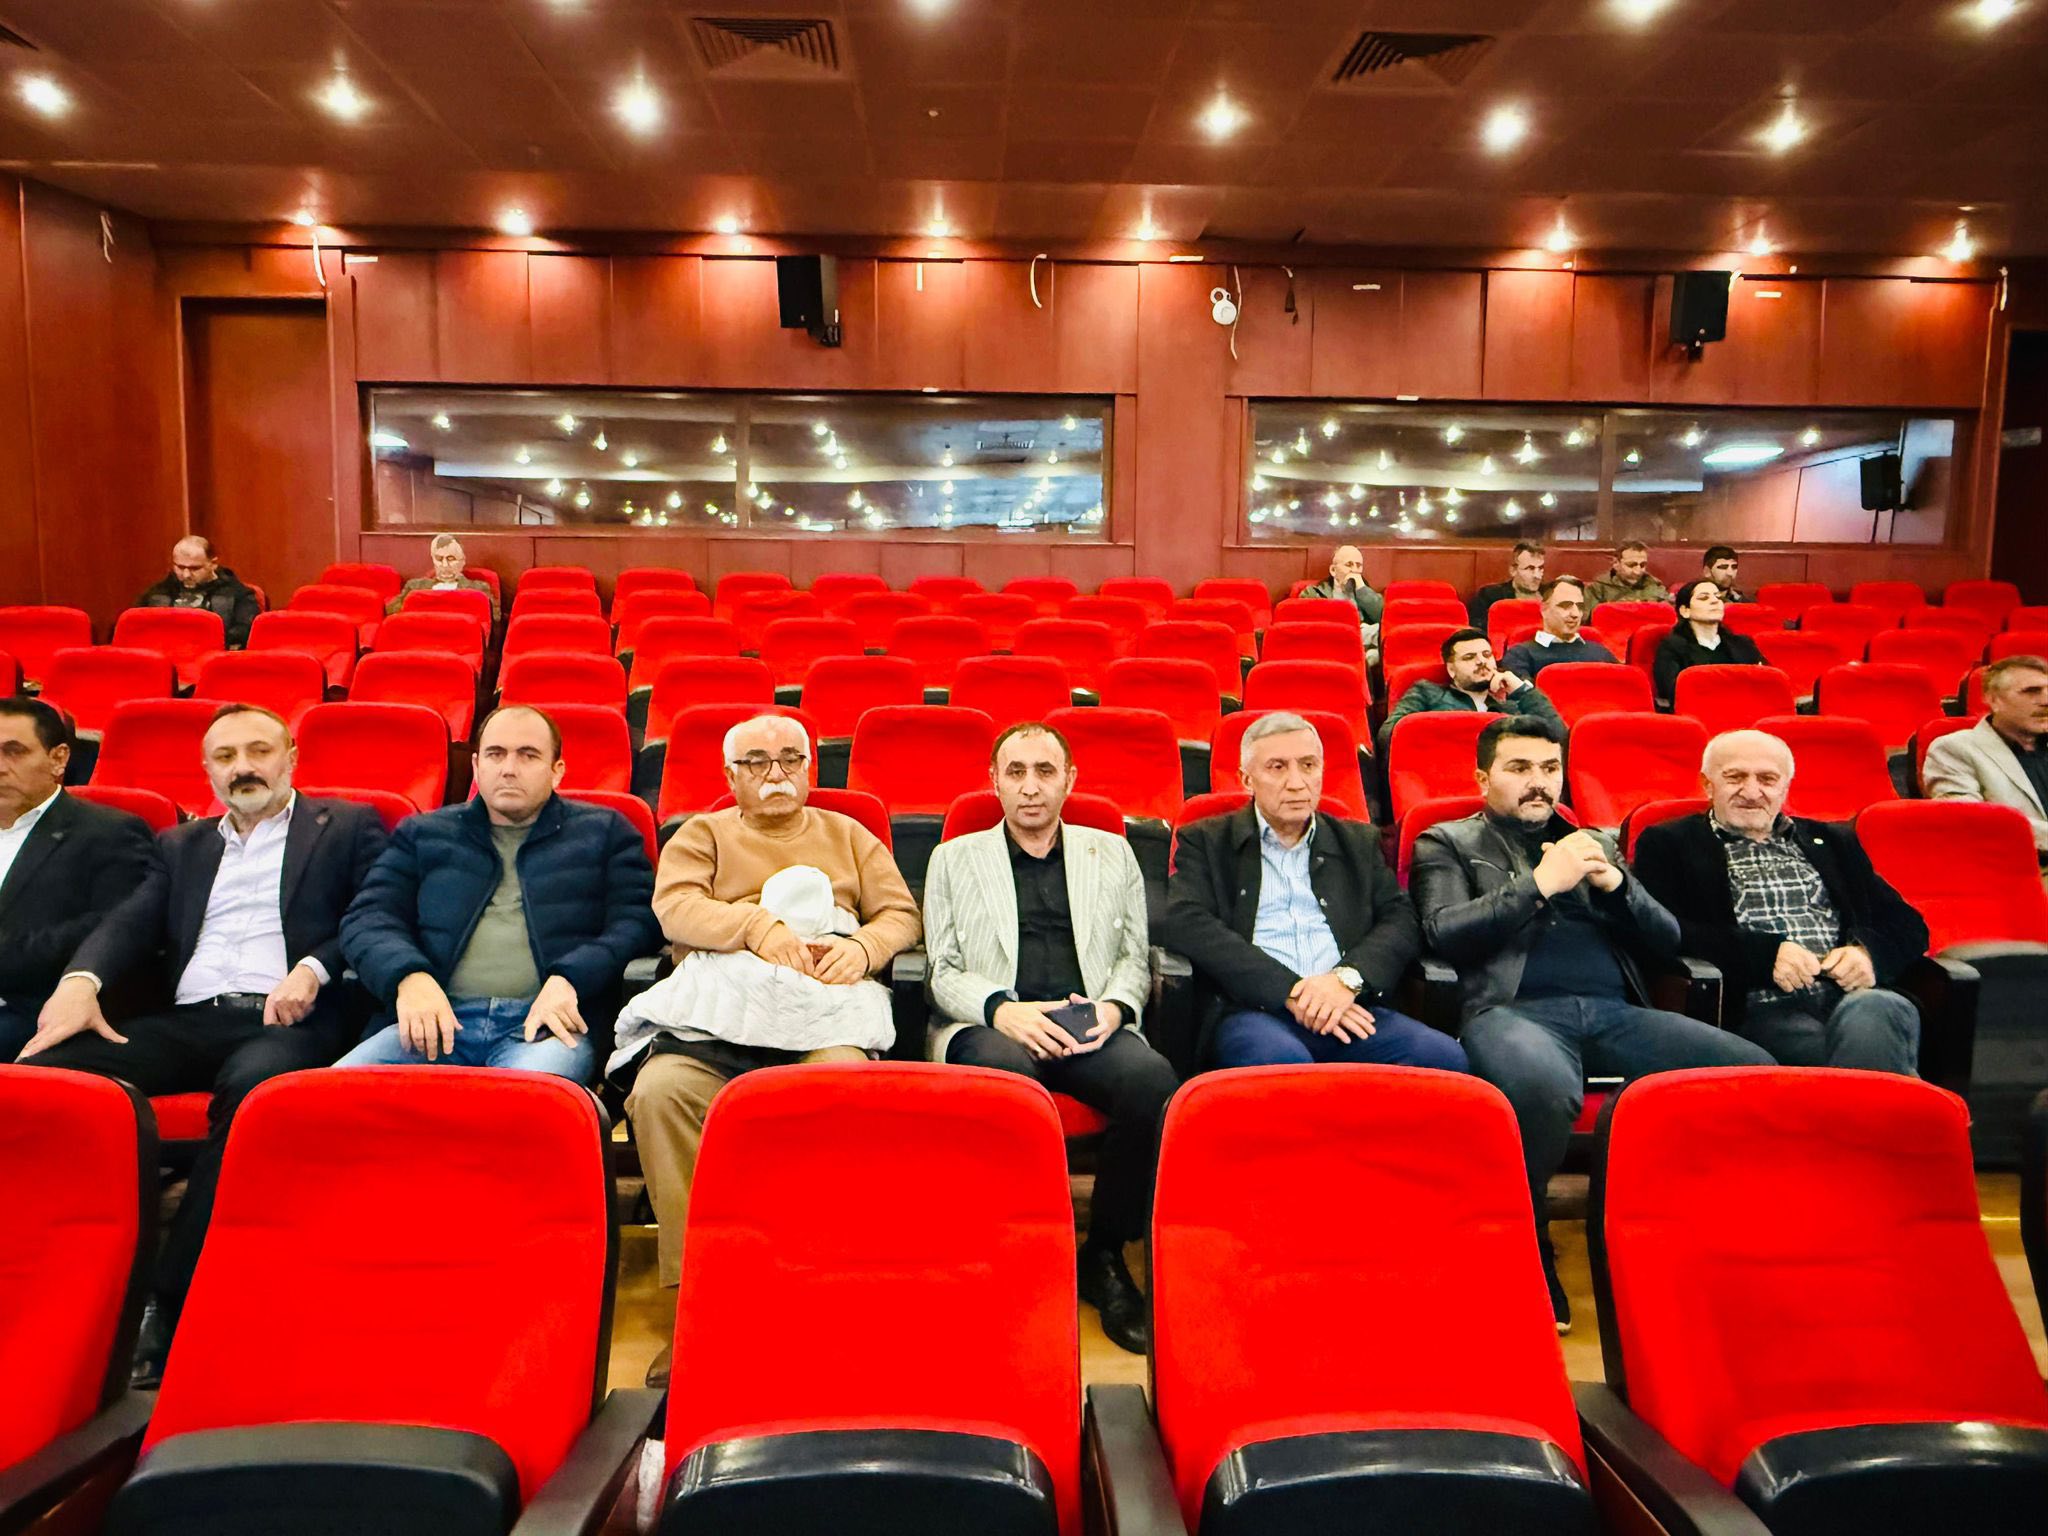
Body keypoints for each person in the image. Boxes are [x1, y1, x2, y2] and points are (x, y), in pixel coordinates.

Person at [19, 703, 386, 1382]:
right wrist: (81, 981)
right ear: (207, 771)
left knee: (251, 1090)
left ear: (291, 757)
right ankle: (42, 1272)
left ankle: (169, 1299)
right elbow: (131, 921)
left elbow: (374, 913)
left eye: (258, 751)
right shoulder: (180, 845)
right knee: (44, 1073)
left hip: (290, 1018)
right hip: (187, 1018)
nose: (243, 767)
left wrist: (313, 968)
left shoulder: (348, 826)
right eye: (225, 757)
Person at [1409, 715, 1771, 1330]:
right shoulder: (1446, 841)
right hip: (1510, 1010)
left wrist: (1615, 884)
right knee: (1543, 1089)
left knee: (1752, 1072)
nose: (1538, 782)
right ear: (1483, 779)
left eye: (1550, 768)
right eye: (1519, 768)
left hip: (1614, 1012)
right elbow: (1443, 932)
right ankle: (1528, 1241)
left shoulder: (1593, 841)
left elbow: (1667, 938)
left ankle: (1685, 1236)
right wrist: (1538, 885)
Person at [619, 712, 921, 1385]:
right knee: (661, 1091)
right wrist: (757, 925)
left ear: (811, 769)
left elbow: (900, 914)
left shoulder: (849, 834)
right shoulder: (704, 834)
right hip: (718, 1025)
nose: (775, 773)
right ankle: (700, 1302)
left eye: (790, 759)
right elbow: (676, 909)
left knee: (843, 1089)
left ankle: (820, 1286)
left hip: (821, 1021)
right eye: (756, 762)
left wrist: (863, 946)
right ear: (730, 777)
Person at [923, 722, 1179, 1355]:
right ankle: (1013, 1248)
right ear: (994, 781)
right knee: (1009, 1081)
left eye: (1044, 772)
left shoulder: (1111, 852)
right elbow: (941, 970)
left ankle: (1104, 1252)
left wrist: (1114, 1009)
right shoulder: (954, 857)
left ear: (1069, 779)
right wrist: (1000, 1010)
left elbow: (1133, 954)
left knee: (1153, 1082)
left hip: (1086, 1020)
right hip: (994, 1024)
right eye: (1015, 773)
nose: (1030, 787)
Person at [337, 705, 659, 1079]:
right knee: (327, 1099)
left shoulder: (606, 832)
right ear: (476, 766)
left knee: (529, 1102)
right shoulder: (423, 834)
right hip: (433, 1021)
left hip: (545, 1027)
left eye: (528, 755)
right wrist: (409, 977)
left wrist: (572, 977)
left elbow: (638, 921)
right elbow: (368, 918)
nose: (508, 768)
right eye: (495, 754)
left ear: (557, 770)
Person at [1167, 710, 1469, 1075]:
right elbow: (1186, 921)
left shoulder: (1357, 841)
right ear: (1246, 779)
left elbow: (1401, 918)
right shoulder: (1206, 840)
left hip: (1348, 1004)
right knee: (1284, 1066)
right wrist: (1290, 991)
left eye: (1308, 765)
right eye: (1277, 767)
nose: (1296, 783)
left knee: (1443, 1058)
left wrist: (1346, 980)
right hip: (1256, 1009)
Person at [1634, 730, 1924, 1075]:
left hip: (1850, 996)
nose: (1751, 792)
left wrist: (1867, 954)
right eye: (1735, 777)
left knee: (1878, 1009)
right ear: (1708, 785)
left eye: (1767, 779)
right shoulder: (1669, 843)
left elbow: (1908, 924)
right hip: (1763, 1007)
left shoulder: (1832, 841)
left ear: (1785, 787)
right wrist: (1765, 955)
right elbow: (1662, 931)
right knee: (1865, 1048)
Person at [0, 698, 159, 1059]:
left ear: (58, 759)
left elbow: (112, 930)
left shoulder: (110, 833)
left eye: (14, 752)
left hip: (35, 1010)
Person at [1923, 656, 2048, 861]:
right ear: (1994, 700)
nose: (2046, 701)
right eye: (2031, 691)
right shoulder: (1954, 749)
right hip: (2016, 866)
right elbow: (1971, 820)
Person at [1382, 629, 1561, 755]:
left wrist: (1521, 690)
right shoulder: (1427, 693)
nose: (1482, 661)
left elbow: (1558, 737)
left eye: (1487, 655)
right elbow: (1390, 735)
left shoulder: (1510, 706)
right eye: (1469, 657)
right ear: (1451, 670)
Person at [134, 535, 261, 648]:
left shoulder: (238, 595)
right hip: (167, 655)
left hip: (213, 656)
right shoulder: (157, 593)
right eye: (180, 567)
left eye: (194, 568)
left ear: (213, 564)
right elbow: (136, 630)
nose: (186, 575)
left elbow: (245, 632)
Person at [1652, 578, 1762, 705]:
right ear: (1685, 611)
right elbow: (1671, 691)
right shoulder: (1671, 647)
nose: (1715, 601)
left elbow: (1764, 682)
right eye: (1704, 598)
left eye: (1718, 597)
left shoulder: (1743, 644)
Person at [1499, 577, 1618, 681]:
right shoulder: (1520, 655)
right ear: (1544, 610)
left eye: (1580, 607)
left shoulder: (1601, 653)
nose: (1575, 614)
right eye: (1565, 606)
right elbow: (1525, 697)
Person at [389, 534, 499, 620]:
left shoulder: (479, 589)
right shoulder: (415, 587)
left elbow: (494, 623)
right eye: (439, 559)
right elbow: (391, 613)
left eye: (451, 559)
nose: (445, 565)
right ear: (433, 560)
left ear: (462, 561)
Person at [1299, 544, 1385, 631]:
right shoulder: (1313, 593)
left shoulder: (1365, 591)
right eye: (1349, 565)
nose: (1354, 570)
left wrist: (1362, 589)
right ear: (1333, 570)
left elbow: (1383, 618)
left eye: (1358, 565)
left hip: (1364, 636)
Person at [1466, 541, 1544, 629]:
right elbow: (1477, 628)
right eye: (1530, 568)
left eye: (1540, 568)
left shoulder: (1550, 594)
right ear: (1513, 571)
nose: (1537, 576)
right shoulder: (1490, 596)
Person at [1585, 541, 1670, 609]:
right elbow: (1589, 618)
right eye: (1631, 565)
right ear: (1616, 564)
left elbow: (1668, 616)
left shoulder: (1655, 586)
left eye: (1642, 565)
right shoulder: (1598, 588)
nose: (1637, 571)